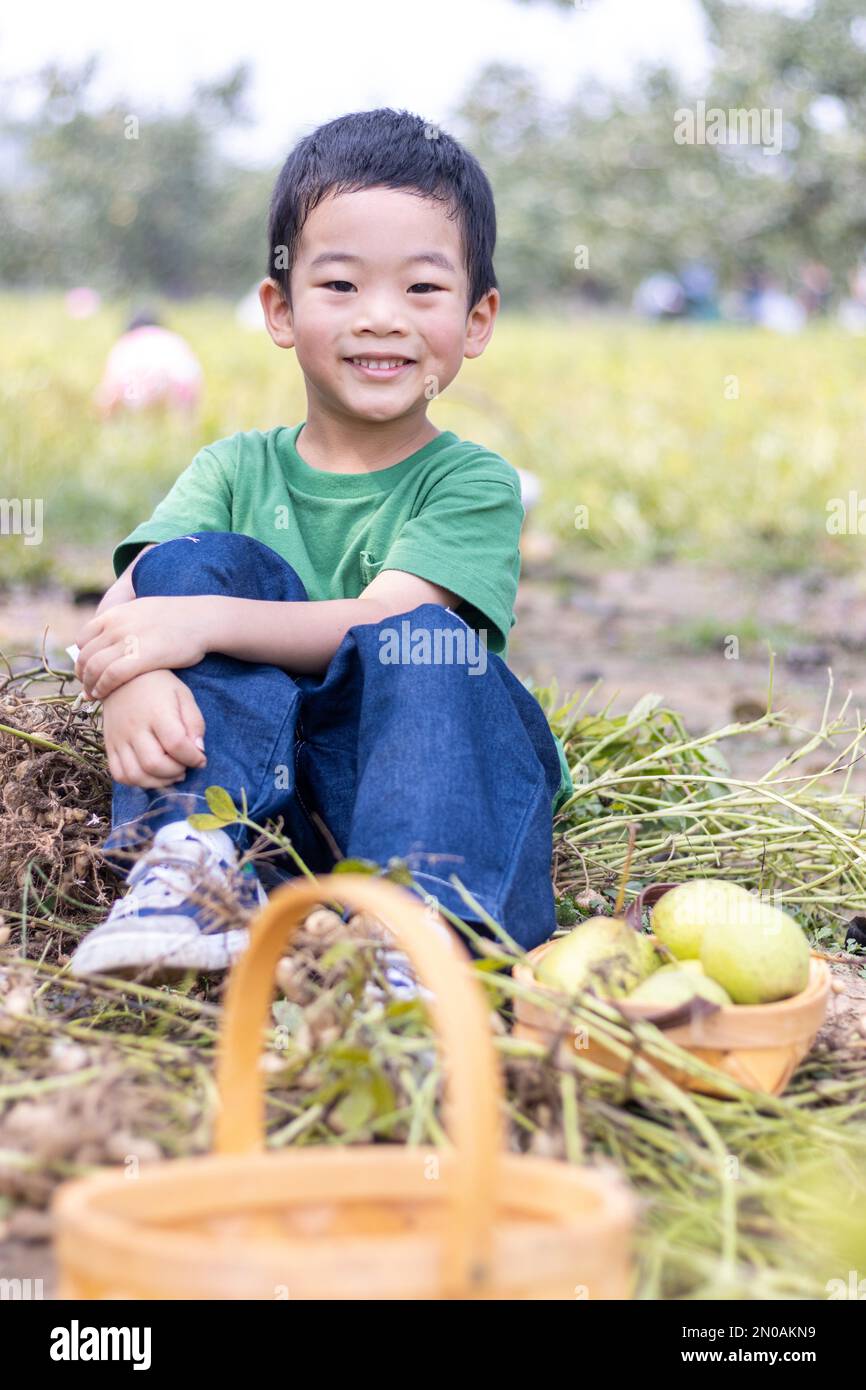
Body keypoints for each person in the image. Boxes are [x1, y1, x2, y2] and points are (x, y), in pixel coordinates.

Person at [68, 108, 574, 985]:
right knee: (185, 563)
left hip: (422, 781)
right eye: (340, 286)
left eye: (423, 289)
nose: (382, 318)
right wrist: (136, 677)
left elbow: (388, 618)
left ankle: (415, 939)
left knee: (422, 645)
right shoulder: (232, 466)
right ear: (279, 308)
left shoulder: (472, 481)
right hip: (254, 787)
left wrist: (200, 624)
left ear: (478, 319)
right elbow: (129, 610)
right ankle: (192, 870)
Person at [94, 310, 203, 418]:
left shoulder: (126, 343)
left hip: (136, 386)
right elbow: (190, 376)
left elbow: (109, 391)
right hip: (175, 387)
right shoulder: (174, 339)